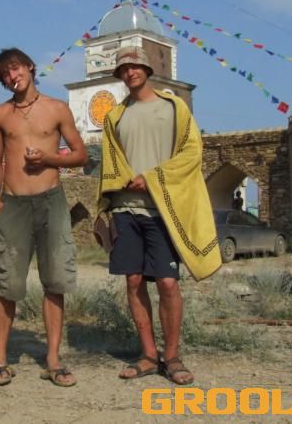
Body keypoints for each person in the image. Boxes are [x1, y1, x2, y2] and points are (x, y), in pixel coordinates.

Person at [96, 46, 221, 385]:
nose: (130, 72)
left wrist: (152, 178)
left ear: (147, 70)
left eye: (135, 66)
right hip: (125, 208)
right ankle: (149, 355)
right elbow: (111, 162)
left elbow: (192, 152)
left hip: (163, 208)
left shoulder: (174, 107)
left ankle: (173, 356)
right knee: (133, 281)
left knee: (167, 282)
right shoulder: (115, 116)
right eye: (124, 69)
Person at [0, 47, 88, 388]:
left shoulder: (57, 108)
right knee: (9, 285)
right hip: (14, 203)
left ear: (30, 67)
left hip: (51, 200)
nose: (12, 76)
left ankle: (53, 361)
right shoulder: (0, 114)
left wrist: (48, 159)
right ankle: (0, 361)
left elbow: (80, 154)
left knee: (55, 282)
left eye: (16, 68)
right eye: (5, 74)